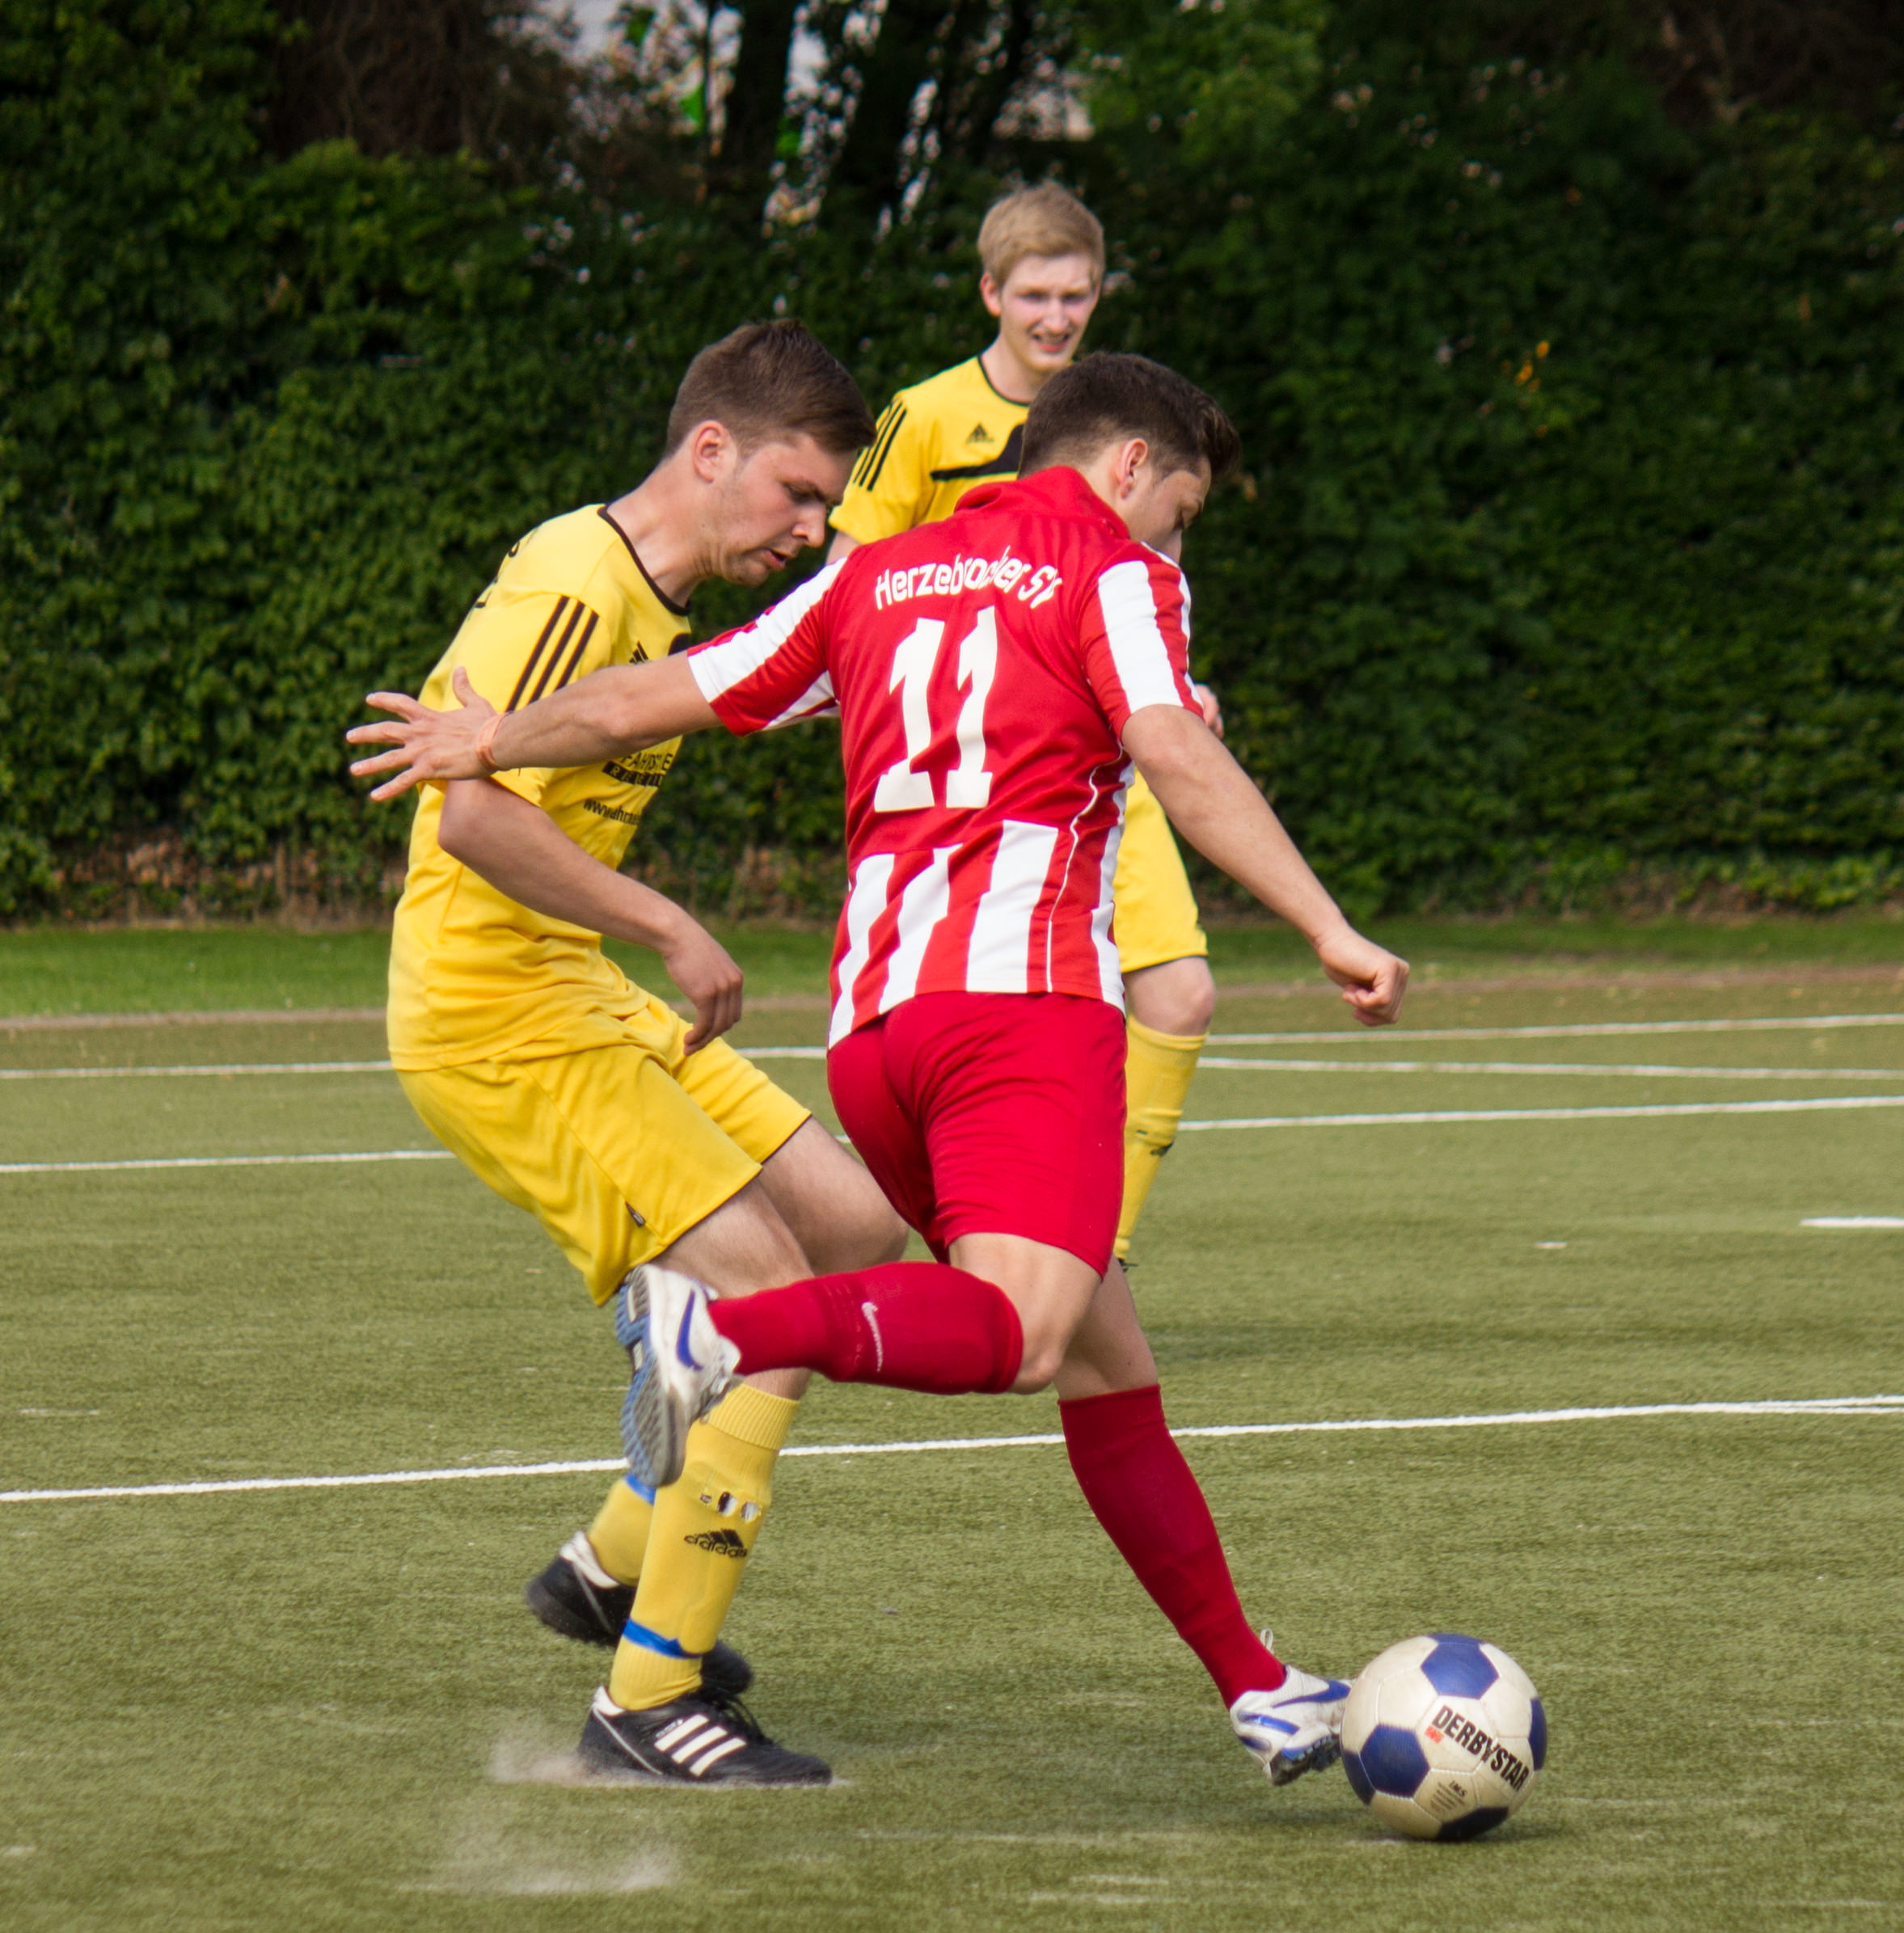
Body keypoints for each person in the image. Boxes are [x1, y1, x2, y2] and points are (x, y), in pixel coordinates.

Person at [351, 350, 1410, 1790]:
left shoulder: (880, 578)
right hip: (1012, 1012)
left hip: (875, 1034)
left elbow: (655, 698)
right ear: (1125, 469)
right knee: (1007, 1331)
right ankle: (664, 1621)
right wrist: (1329, 925)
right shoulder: (1113, 571)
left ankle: (1258, 1688)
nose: (1176, 546)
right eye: (1179, 513)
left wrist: (489, 734)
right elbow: (1167, 746)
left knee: (1049, 1326)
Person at [361, 320, 910, 1783]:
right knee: (770, 1299)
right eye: (797, 493)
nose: (810, 529)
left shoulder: (663, 607)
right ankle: (648, 1703)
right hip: (497, 1020)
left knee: (859, 1232)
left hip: (576, 994)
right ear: (711, 449)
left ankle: (612, 1565)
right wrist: (670, 922)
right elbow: (469, 812)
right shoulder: (574, 583)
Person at [827, 182, 1218, 1271]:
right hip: (975, 773)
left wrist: (1178, 690)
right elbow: (848, 577)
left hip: (1104, 758)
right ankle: (1003, 1265)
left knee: (1182, 993)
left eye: (1075, 295)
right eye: (1035, 296)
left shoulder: (1130, 424)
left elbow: (1151, 579)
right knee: (965, 1025)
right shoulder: (923, 417)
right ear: (990, 293)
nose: (1056, 317)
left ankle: (1098, 1258)